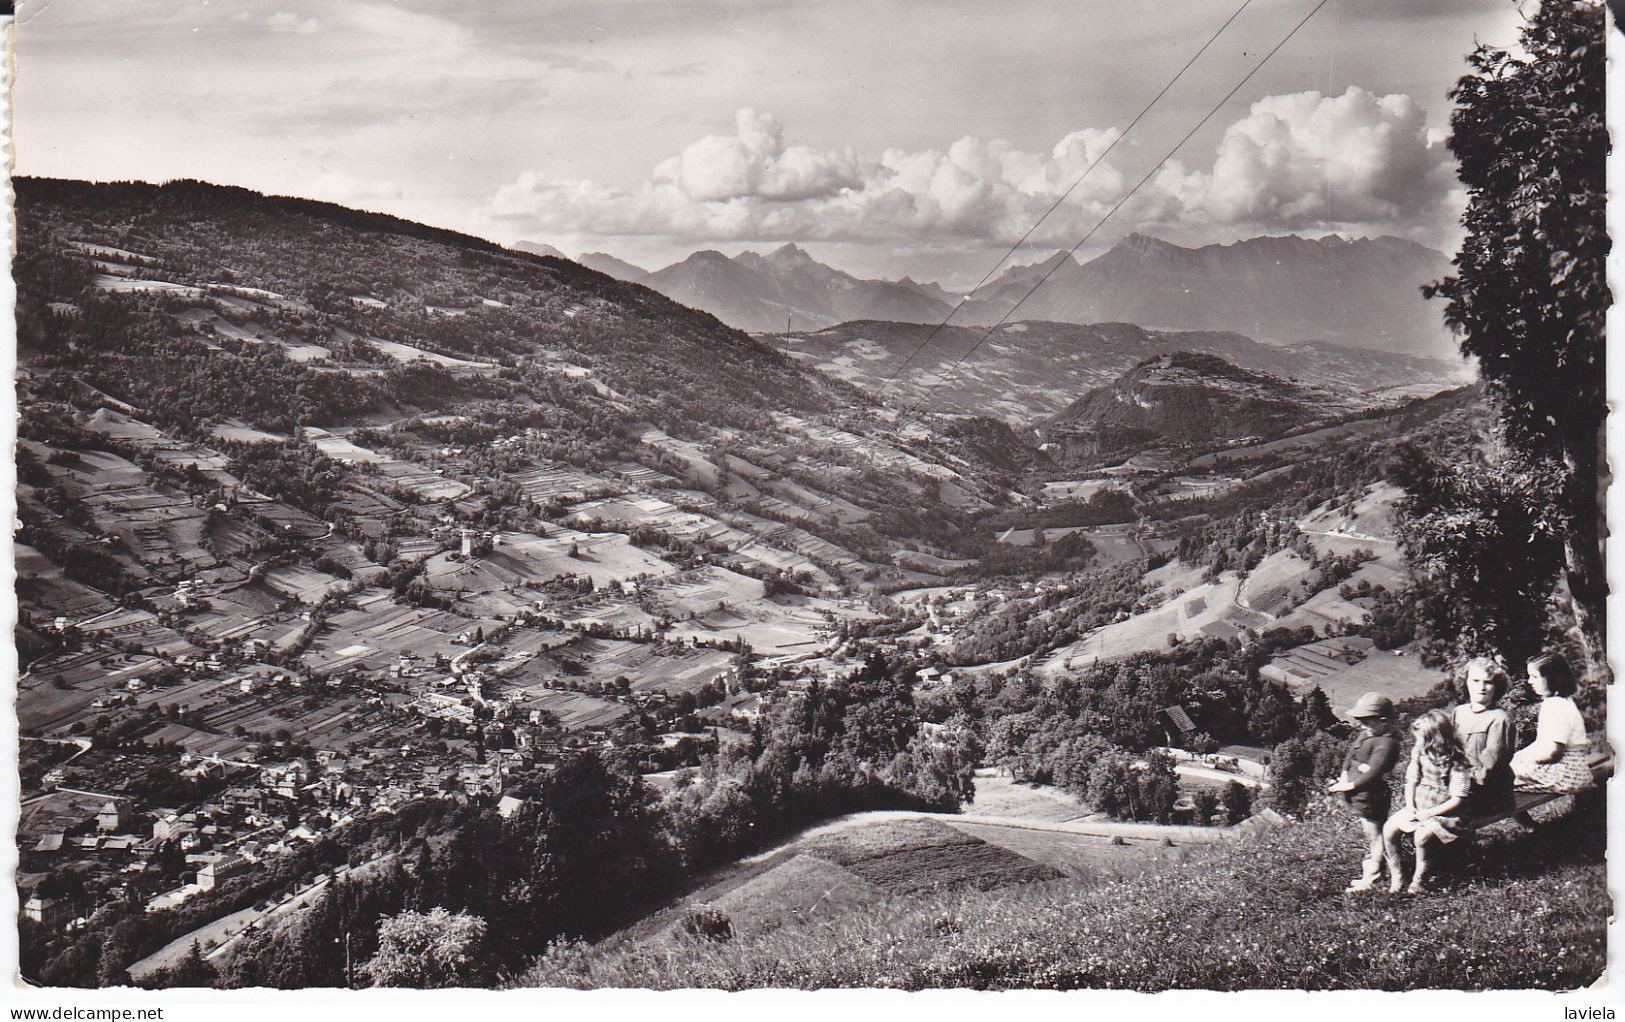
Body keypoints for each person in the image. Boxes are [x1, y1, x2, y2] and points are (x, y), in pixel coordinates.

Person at [1383, 709, 1473, 894]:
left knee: (1422, 836)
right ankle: (1397, 874)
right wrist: (1410, 806)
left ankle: (1419, 879)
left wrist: (1430, 813)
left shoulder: (1457, 763)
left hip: (1446, 812)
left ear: (1437, 739)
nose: (1419, 743)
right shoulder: (1420, 754)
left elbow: (1458, 799)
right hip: (1418, 806)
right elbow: (1412, 782)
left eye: (1423, 739)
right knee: (1389, 829)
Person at [1328, 692, 1399, 892]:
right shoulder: (1368, 734)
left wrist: (1350, 785)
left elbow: (1375, 772)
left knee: (1375, 835)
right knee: (1370, 834)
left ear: (1383, 721)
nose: (1361, 726)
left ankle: (1374, 876)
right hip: (1359, 795)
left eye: (1366, 722)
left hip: (1371, 797)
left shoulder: (1386, 743)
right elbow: (1351, 754)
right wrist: (1345, 773)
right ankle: (1374, 870)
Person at [1511, 652, 1592, 793]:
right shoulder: (1564, 701)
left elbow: (1553, 752)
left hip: (1566, 774)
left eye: (1535, 677)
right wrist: (1520, 756)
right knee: (1509, 768)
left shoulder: (1554, 706)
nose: (1530, 681)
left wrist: (1525, 761)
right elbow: (1543, 744)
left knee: (1503, 776)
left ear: (1554, 679)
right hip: (1578, 771)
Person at [1452, 656, 1515, 818]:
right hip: (1460, 783)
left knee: (1442, 810)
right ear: (1465, 682)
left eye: (1488, 682)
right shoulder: (1459, 712)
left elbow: (1490, 769)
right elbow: (1449, 749)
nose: (1481, 687)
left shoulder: (1499, 719)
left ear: (1496, 686)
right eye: (1475, 681)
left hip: (1488, 792)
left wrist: (1461, 781)